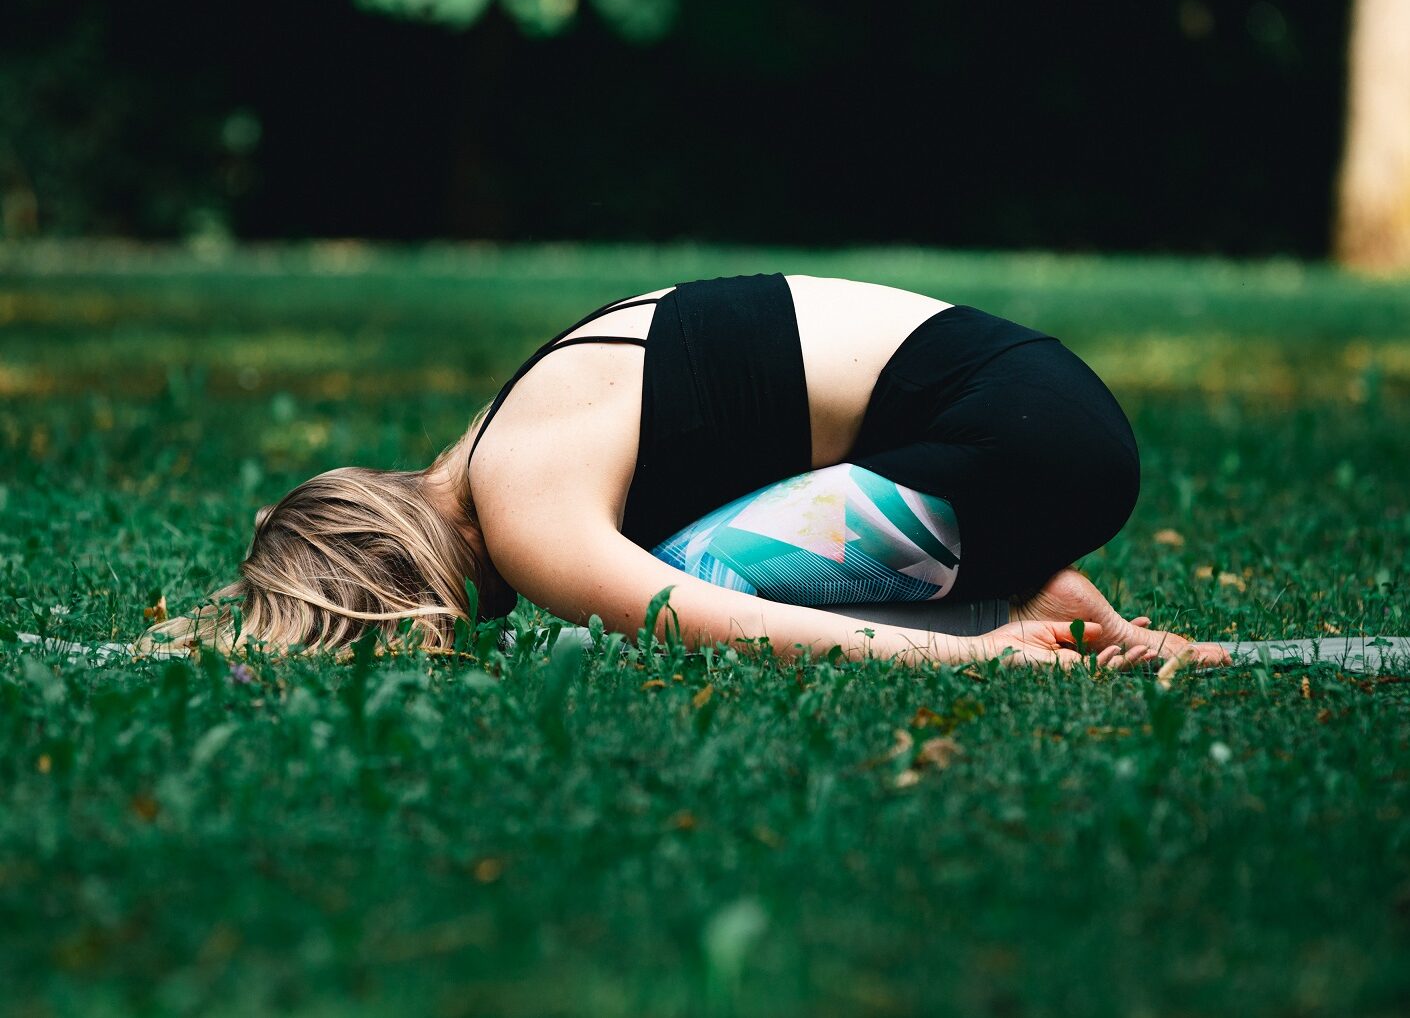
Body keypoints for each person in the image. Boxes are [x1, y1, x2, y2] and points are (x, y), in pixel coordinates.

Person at [144, 274, 1226, 669]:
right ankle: (1032, 587)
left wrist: (982, 664)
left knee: (677, 586)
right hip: (1027, 420)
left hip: (1019, 444)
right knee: (670, 565)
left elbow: (723, 621)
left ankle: (1011, 619)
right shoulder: (496, 440)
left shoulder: (523, 511)